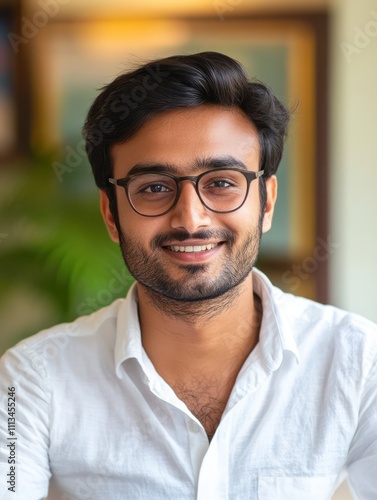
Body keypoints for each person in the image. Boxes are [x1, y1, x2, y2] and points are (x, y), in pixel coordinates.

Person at [0, 51, 376, 500]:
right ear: (111, 214)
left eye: (221, 182)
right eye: (154, 188)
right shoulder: (29, 381)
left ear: (267, 202)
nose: (191, 219)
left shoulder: (358, 360)